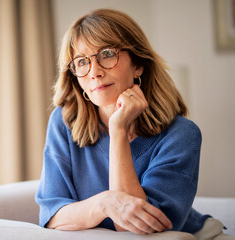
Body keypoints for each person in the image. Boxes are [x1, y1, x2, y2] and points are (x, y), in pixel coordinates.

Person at [35, 8, 233, 239]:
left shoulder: (182, 135)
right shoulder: (64, 122)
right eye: (81, 61)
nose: (95, 72)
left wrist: (117, 130)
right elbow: (52, 218)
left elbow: (134, 230)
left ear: (138, 65)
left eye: (107, 54)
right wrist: (105, 203)